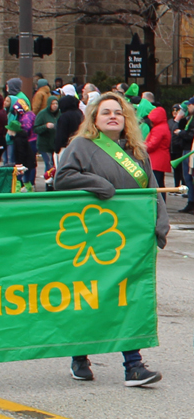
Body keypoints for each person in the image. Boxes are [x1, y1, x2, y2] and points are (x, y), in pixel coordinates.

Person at [54, 92, 168, 387]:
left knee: (128, 298)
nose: (113, 116)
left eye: (118, 112)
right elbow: (62, 178)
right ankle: (80, 356)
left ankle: (134, 366)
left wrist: (160, 223)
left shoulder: (136, 151)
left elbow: (151, 190)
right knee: (91, 297)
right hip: (94, 238)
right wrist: (97, 183)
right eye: (106, 112)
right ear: (94, 118)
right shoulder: (82, 145)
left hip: (131, 236)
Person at [145, 106, 171, 200]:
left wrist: (140, 147)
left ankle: (158, 202)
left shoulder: (158, 129)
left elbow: (152, 145)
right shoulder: (163, 127)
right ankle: (161, 202)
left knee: (156, 184)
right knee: (160, 184)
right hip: (161, 159)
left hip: (156, 160)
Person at [173, 97, 194, 213]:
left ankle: (191, 202)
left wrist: (181, 133)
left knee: (189, 177)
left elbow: (191, 135)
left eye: (190, 105)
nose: (188, 108)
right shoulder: (189, 119)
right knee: (187, 177)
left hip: (190, 150)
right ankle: (191, 201)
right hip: (187, 149)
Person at [5, 120, 36, 190]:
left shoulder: (18, 140)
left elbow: (21, 153)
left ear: (12, 130)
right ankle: (29, 190)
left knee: (18, 178)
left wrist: (19, 164)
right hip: (29, 162)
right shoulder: (21, 138)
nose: (7, 131)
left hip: (25, 163)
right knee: (26, 179)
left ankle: (19, 190)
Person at [54, 95, 84, 164]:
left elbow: (61, 134)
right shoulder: (79, 113)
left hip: (66, 147)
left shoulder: (64, 116)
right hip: (79, 145)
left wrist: (57, 148)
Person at [34, 95, 60, 171]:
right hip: (45, 145)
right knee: (49, 164)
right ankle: (49, 177)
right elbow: (36, 129)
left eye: (56, 103)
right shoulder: (42, 114)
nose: (55, 105)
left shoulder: (60, 113)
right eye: (53, 104)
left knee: (55, 164)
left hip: (55, 144)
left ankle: (52, 177)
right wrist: (45, 126)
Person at [168, 104, 184, 189]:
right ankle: (176, 186)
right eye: (173, 110)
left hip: (179, 149)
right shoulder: (170, 121)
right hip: (172, 149)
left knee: (182, 170)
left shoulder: (182, 121)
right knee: (176, 170)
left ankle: (183, 186)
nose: (174, 112)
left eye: (176, 110)